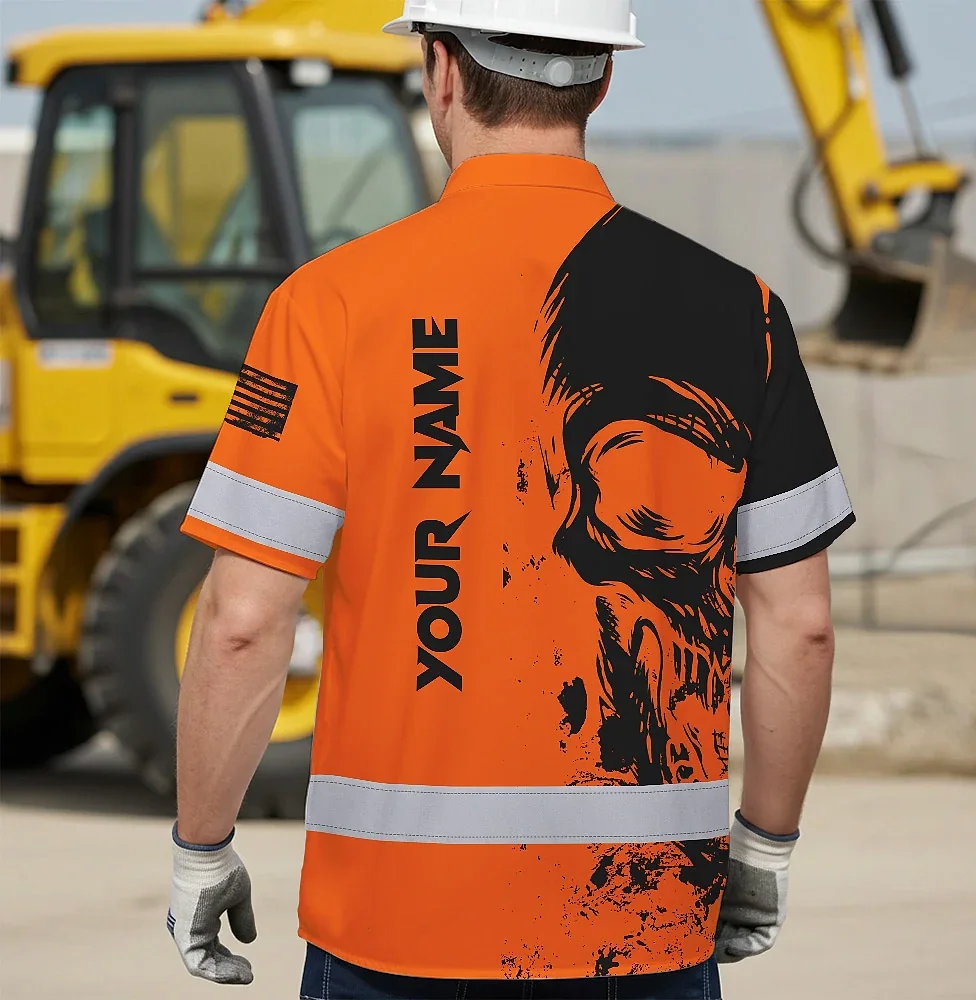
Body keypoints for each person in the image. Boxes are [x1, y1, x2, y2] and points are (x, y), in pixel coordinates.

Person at [167, 2, 855, 998]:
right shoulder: (738, 309)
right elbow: (800, 626)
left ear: (441, 69)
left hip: (393, 927)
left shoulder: (326, 305)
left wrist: (202, 846)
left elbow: (241, 622)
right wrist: (765, 844)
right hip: (645, 927)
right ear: (604, 80)